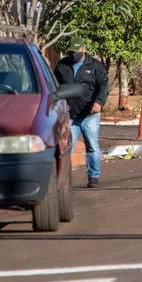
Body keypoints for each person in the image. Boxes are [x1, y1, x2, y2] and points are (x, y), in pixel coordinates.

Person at [54, 37, 108, 188]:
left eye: (76, 52)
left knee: (92, 145)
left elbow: (103, 85)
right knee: (66, 148)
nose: (73, 55)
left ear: (83, 49)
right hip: (70, 114)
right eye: (71, 52)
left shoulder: (95, 66)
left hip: (89, 114)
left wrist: (99, 102)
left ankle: (93, 176)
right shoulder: (62, 65)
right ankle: (64, 179)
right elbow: (55, 86)